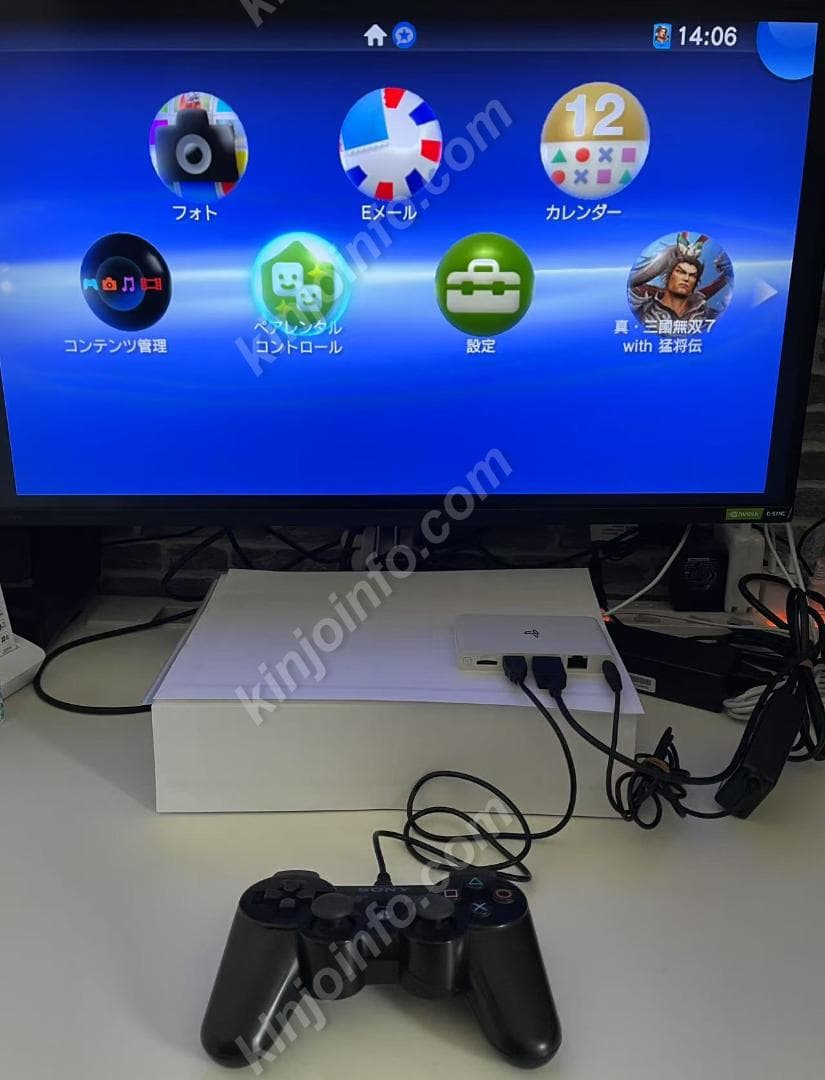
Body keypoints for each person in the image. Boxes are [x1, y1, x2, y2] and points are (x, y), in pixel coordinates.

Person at [629, 238, 732, 330]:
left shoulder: (705, 315)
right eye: (680, 272)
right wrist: (669, 254)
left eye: (692, 276)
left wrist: (729, 273)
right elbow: (631, 284)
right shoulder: (644, 307)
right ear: (668, 277)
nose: (686, 278)